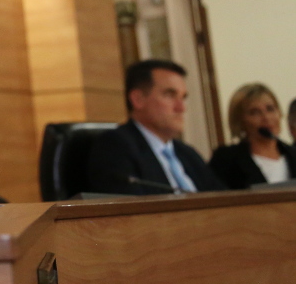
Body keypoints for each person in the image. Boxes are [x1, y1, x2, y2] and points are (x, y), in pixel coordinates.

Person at [86, 59, 224, 195]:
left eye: (183, 98)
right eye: (170, 95)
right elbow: (132, 211)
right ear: (138, 99)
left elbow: (225, 201)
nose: (181, 108)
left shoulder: (187, 153)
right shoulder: (115, 147)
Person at [209, 83, 296, 188]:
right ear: (240, 121)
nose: (266, 117)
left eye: (270, 109)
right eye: (255, 112)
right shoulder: (226, 160)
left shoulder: (292, 154)